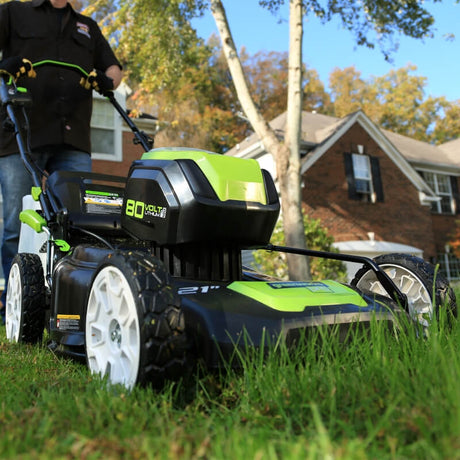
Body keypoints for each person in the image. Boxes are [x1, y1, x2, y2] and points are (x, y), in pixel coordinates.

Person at [0, 0, 123, 324]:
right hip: (20, 131)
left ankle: (70, 303)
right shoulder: (13, 12)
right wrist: (5, 65)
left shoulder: (87, 27)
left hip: (73, 137)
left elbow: (114, 69)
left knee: (81, 222)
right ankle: (12, 303)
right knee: (17, 222)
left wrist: (107, 80)